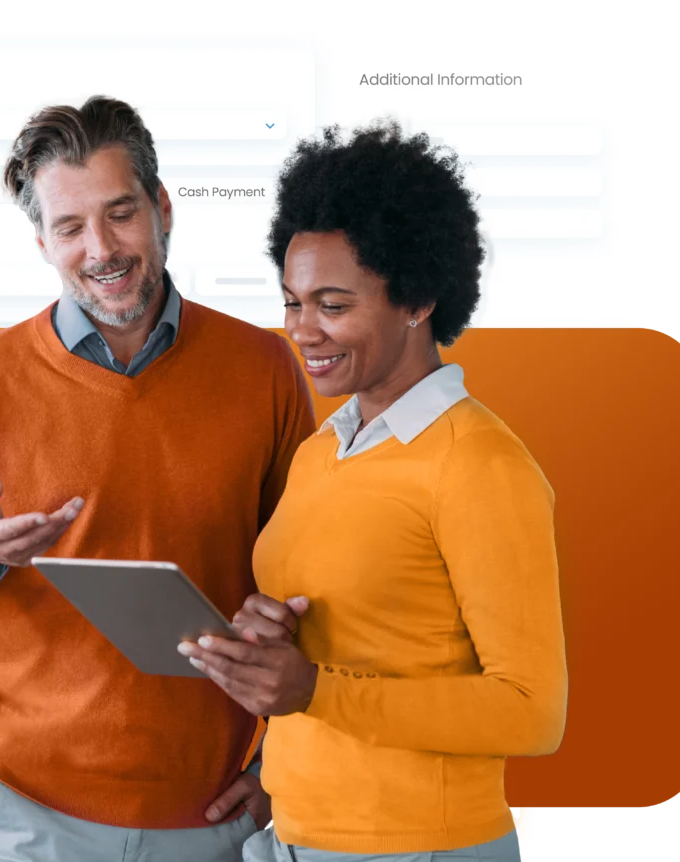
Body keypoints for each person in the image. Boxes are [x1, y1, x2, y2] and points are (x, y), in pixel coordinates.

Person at [0, 95, 316, 862]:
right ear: (42, 242)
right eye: (70, 227)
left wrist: (282, 762)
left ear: (162, 208)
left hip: (214, 814)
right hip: (28, 817)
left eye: (120, 213)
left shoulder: (263, 369)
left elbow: (319, 584)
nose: (101, 248)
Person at [178, 119, 569, 861]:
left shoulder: (479, 463)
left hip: (420, 846)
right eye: (293, 302)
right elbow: (346, 637)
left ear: (417, 299)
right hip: (292, 838)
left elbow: (531, 712)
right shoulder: (320, 452)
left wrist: (316, 690)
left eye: (333, 305)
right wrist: (270, 639)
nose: (303, 330)